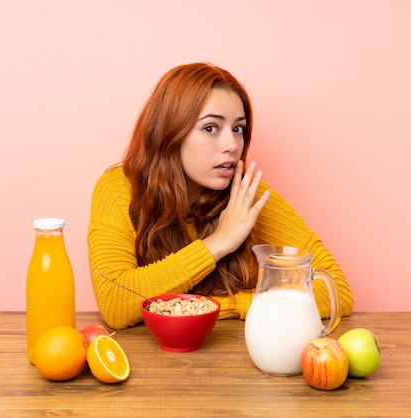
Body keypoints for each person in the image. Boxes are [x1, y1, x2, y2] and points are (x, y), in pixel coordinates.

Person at [88, 63, 354, 330]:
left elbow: (337, 292)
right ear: (170, 133)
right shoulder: (118, 189)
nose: (231, 145)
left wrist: (219, 307)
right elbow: (115, 302)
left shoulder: (247, 196)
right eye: (210, 128)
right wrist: (218, 242)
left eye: (238, 129)